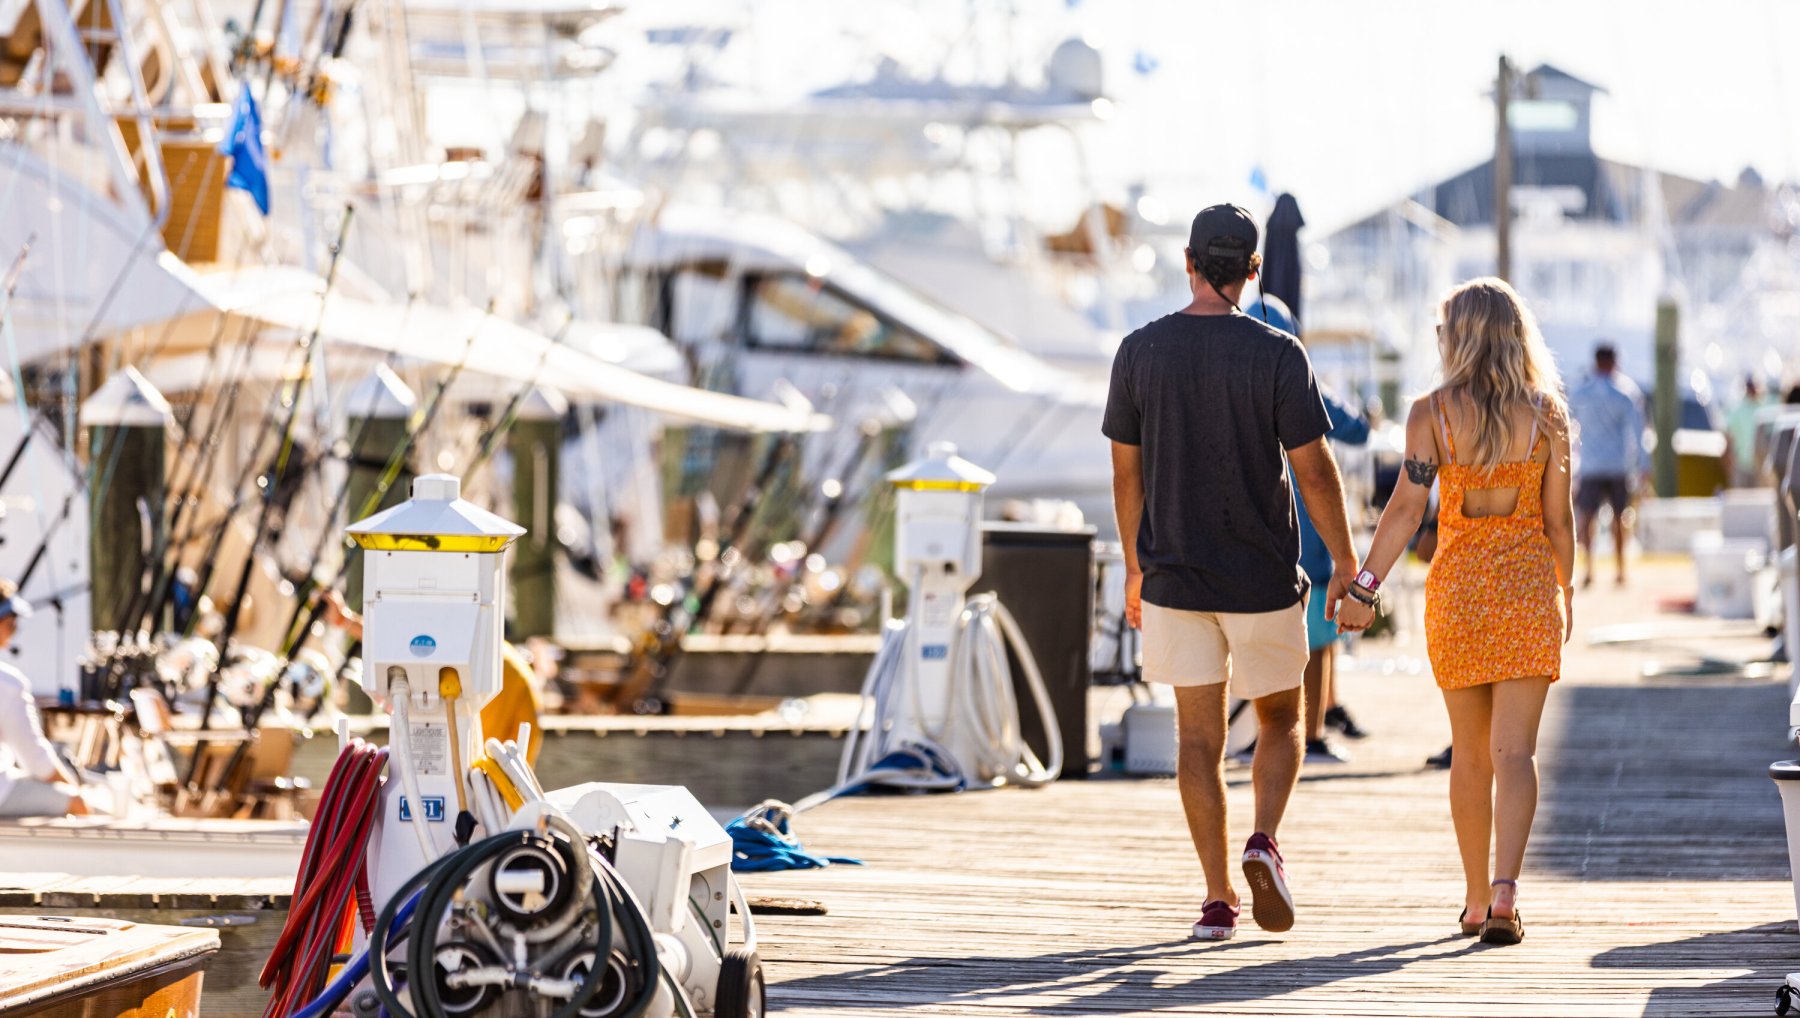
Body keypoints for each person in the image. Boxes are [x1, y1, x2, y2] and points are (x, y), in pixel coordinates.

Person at [1105, 204, 1373, 943]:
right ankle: (1264, 839)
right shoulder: (1278, 353)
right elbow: (1315, 473)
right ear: (1253, 271)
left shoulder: (1138, 352)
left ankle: (1218, 898)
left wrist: (1133, 564)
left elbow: (1125, 474)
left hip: (1174, 578)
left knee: (1197, 741)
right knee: (1281, 721)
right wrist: (1346, 565)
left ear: (1187, 262)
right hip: (1261, 577)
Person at [1353, 278, 1573, 946]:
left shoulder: (1431, 415)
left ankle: (1476, 901)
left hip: (1459, 598)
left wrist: (1366, 587)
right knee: (1516, 753)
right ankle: (1507, 890)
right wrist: (1566, 593)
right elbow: (1560, 523)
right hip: (1529, 593)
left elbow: (1404, 511)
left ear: (1460, 337)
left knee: (1471, 758)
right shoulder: (1548, 415)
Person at [1245, 295, 1371, 763]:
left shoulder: (1233, 379)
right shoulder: (1299, 377)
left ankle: (1265, 733)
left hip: (1256, 536)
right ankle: (1312, 734)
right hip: (1310, 538)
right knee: (1318, 639)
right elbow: (1354, 429)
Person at [0, 582, 89, 818]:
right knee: (77, 804)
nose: (15, 628)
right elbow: (37, 763)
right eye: (10, 620)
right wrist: (73, 789)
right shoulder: (8, 684)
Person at [1567, 343, 1644, 587]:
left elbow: (1568, 422)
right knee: (1619, 518)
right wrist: (1643, 464)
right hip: (1617, 464)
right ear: (1614, 361)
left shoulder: (1583, 391)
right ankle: (1620, 569)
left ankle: (1588, 569)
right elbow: (1637, 431)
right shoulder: (1625, 391)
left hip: (1590, 464)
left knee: (1587, 517)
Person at [1725, 376, 1774, 488]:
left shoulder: (1764, 408)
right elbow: (1729, 438)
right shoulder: (1738, 410)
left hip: (1759, 467)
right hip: (1742, 465)